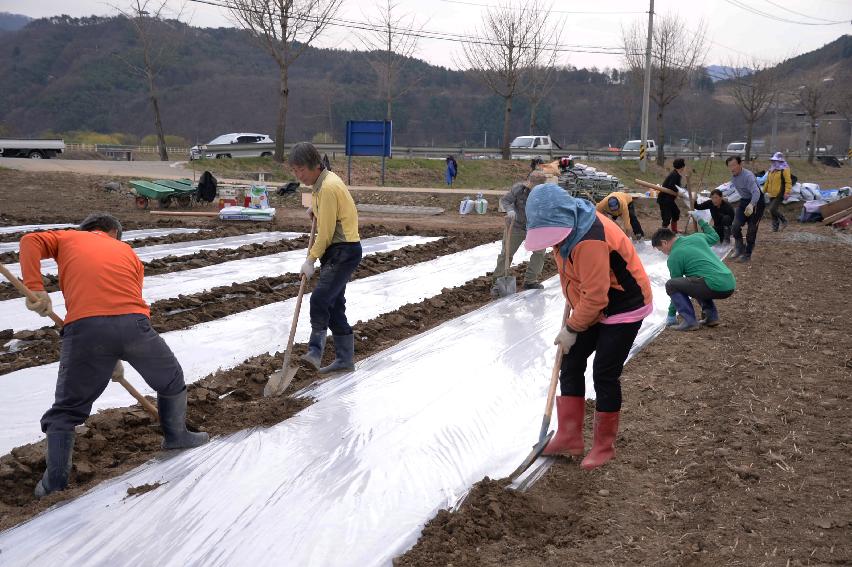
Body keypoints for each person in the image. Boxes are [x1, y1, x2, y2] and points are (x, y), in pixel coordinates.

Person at [20, 213, 208, 498]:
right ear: (113, 233)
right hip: (135, 326)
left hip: (86, 330)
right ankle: (176, 436)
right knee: (171, 381)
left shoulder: (68, 237)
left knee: (67, 411)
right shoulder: (127, 252)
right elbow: (123, 304)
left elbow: (29, 240)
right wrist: (117, 353)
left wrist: (35, 286)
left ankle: (54, 483)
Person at [524, 184, 653, 470]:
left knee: (604, 372)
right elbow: (577, 279)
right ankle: (570, 436)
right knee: (570, 360)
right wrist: (574, 311)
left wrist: (571, 328)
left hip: (624, 304)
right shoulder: (565, 234)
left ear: (563, 217)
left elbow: (597, 295)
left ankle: (604, 446)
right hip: (593, 301)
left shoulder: (589, 239)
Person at [292, 142, 362, 374]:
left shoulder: (328, 187)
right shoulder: (321, 184)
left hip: (343, 250)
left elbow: (326, 233)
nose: (298, 175)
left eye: (301, 170)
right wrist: (317, 210)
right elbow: (327, 215)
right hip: (339, 250)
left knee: (319, 299)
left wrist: (310, 260)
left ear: (314, 166)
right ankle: (345, 360)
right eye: (294, 170)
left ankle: (314, 352)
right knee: (333, 305)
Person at [652, 212, 737, 331]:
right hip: (729, 282)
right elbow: (715, 237)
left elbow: (675, 285)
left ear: (664, 242)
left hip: (714, 285)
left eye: (661, 250)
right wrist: (700, 220)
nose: (664, 253)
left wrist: (671, 314)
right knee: (694, 279)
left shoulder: (674, 257)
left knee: (671, 285)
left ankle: (689, 321)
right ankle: (711, 317)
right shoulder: (697, 237)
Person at [489, 171, 549, 296]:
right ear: (529, 182)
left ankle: (531, 281)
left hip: (535, 227)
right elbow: (505, 200)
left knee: (539, 253)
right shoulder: (519, 189)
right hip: (516, 226)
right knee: (506, 254)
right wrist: (510, 210)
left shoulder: (547, 193)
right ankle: (497, 283)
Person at [726, 156, 766, 262]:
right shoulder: (734, 177)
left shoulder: (748, 176)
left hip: (757, 202)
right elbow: (738, 192)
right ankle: (739, 248)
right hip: (744, 201)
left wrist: (752, 205)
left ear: (740, 164)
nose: (732, 168)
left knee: (751, 229)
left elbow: (756, 192)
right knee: (735, 226)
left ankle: (747, 254)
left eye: (734, 165)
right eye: (729, 166)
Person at [764, 152, 792, 232]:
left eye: (775, 161)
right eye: (773, 160)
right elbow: (767, 181)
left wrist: (787, 192)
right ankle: (775, 227)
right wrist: (763, 191)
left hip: (780, 193)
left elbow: (788, 182)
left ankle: (784, 220)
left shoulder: (785, 169)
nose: (773, 162)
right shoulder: (771, 170)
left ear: (780, 161)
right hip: (771, 193)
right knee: (773, 211)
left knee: (772, 209)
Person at [659, 158, 686, 233]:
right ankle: (663, 232)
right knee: (667, 217)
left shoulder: (676, 174)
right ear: (682, 167)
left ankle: (674, 230)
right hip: (664, 199)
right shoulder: (674, 175)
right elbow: (671, 186)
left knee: (676, 212)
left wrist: (682, 190)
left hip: (669, 199)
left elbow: (675, 186)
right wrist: (679, 191)